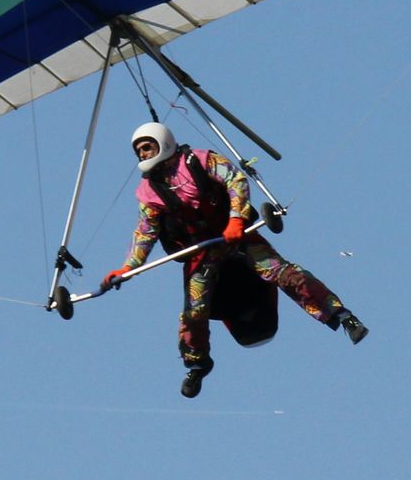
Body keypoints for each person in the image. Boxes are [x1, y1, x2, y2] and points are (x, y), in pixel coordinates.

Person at [99, 121, 366, 397]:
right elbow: (146, 231)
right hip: (202, 250)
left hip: (236, 236)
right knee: (193, 312)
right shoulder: (149, 191)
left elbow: (235, 181)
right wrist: (129, 267)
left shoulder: (199, 161)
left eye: (147, 147)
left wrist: (236, 219)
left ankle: (342, 317)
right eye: (139, 151)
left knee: (286, 275)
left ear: (163, 143)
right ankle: (197, 364)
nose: (142, 154)